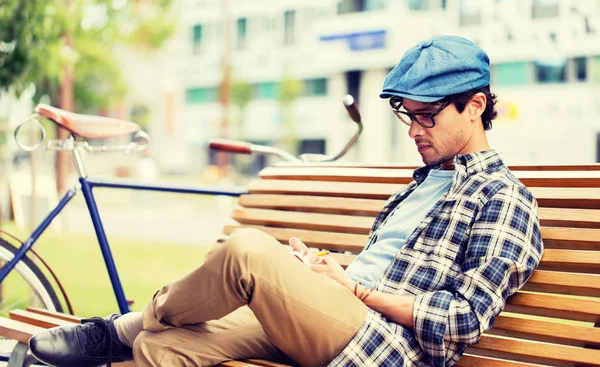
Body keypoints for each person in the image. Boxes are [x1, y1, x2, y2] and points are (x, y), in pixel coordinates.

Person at [28, 35, 543, 367]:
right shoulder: (423, 181)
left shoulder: (503, 199)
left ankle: (116, 328)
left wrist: (355, 292)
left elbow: (462, 321)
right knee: (162, 347)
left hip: (380, 342)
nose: (414, 130)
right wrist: (321, 269)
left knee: (247, 249)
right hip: (333, 312)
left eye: (427, 116)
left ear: (475, 105)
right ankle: (132, 334)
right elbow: (384, 270)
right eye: (407, 116)